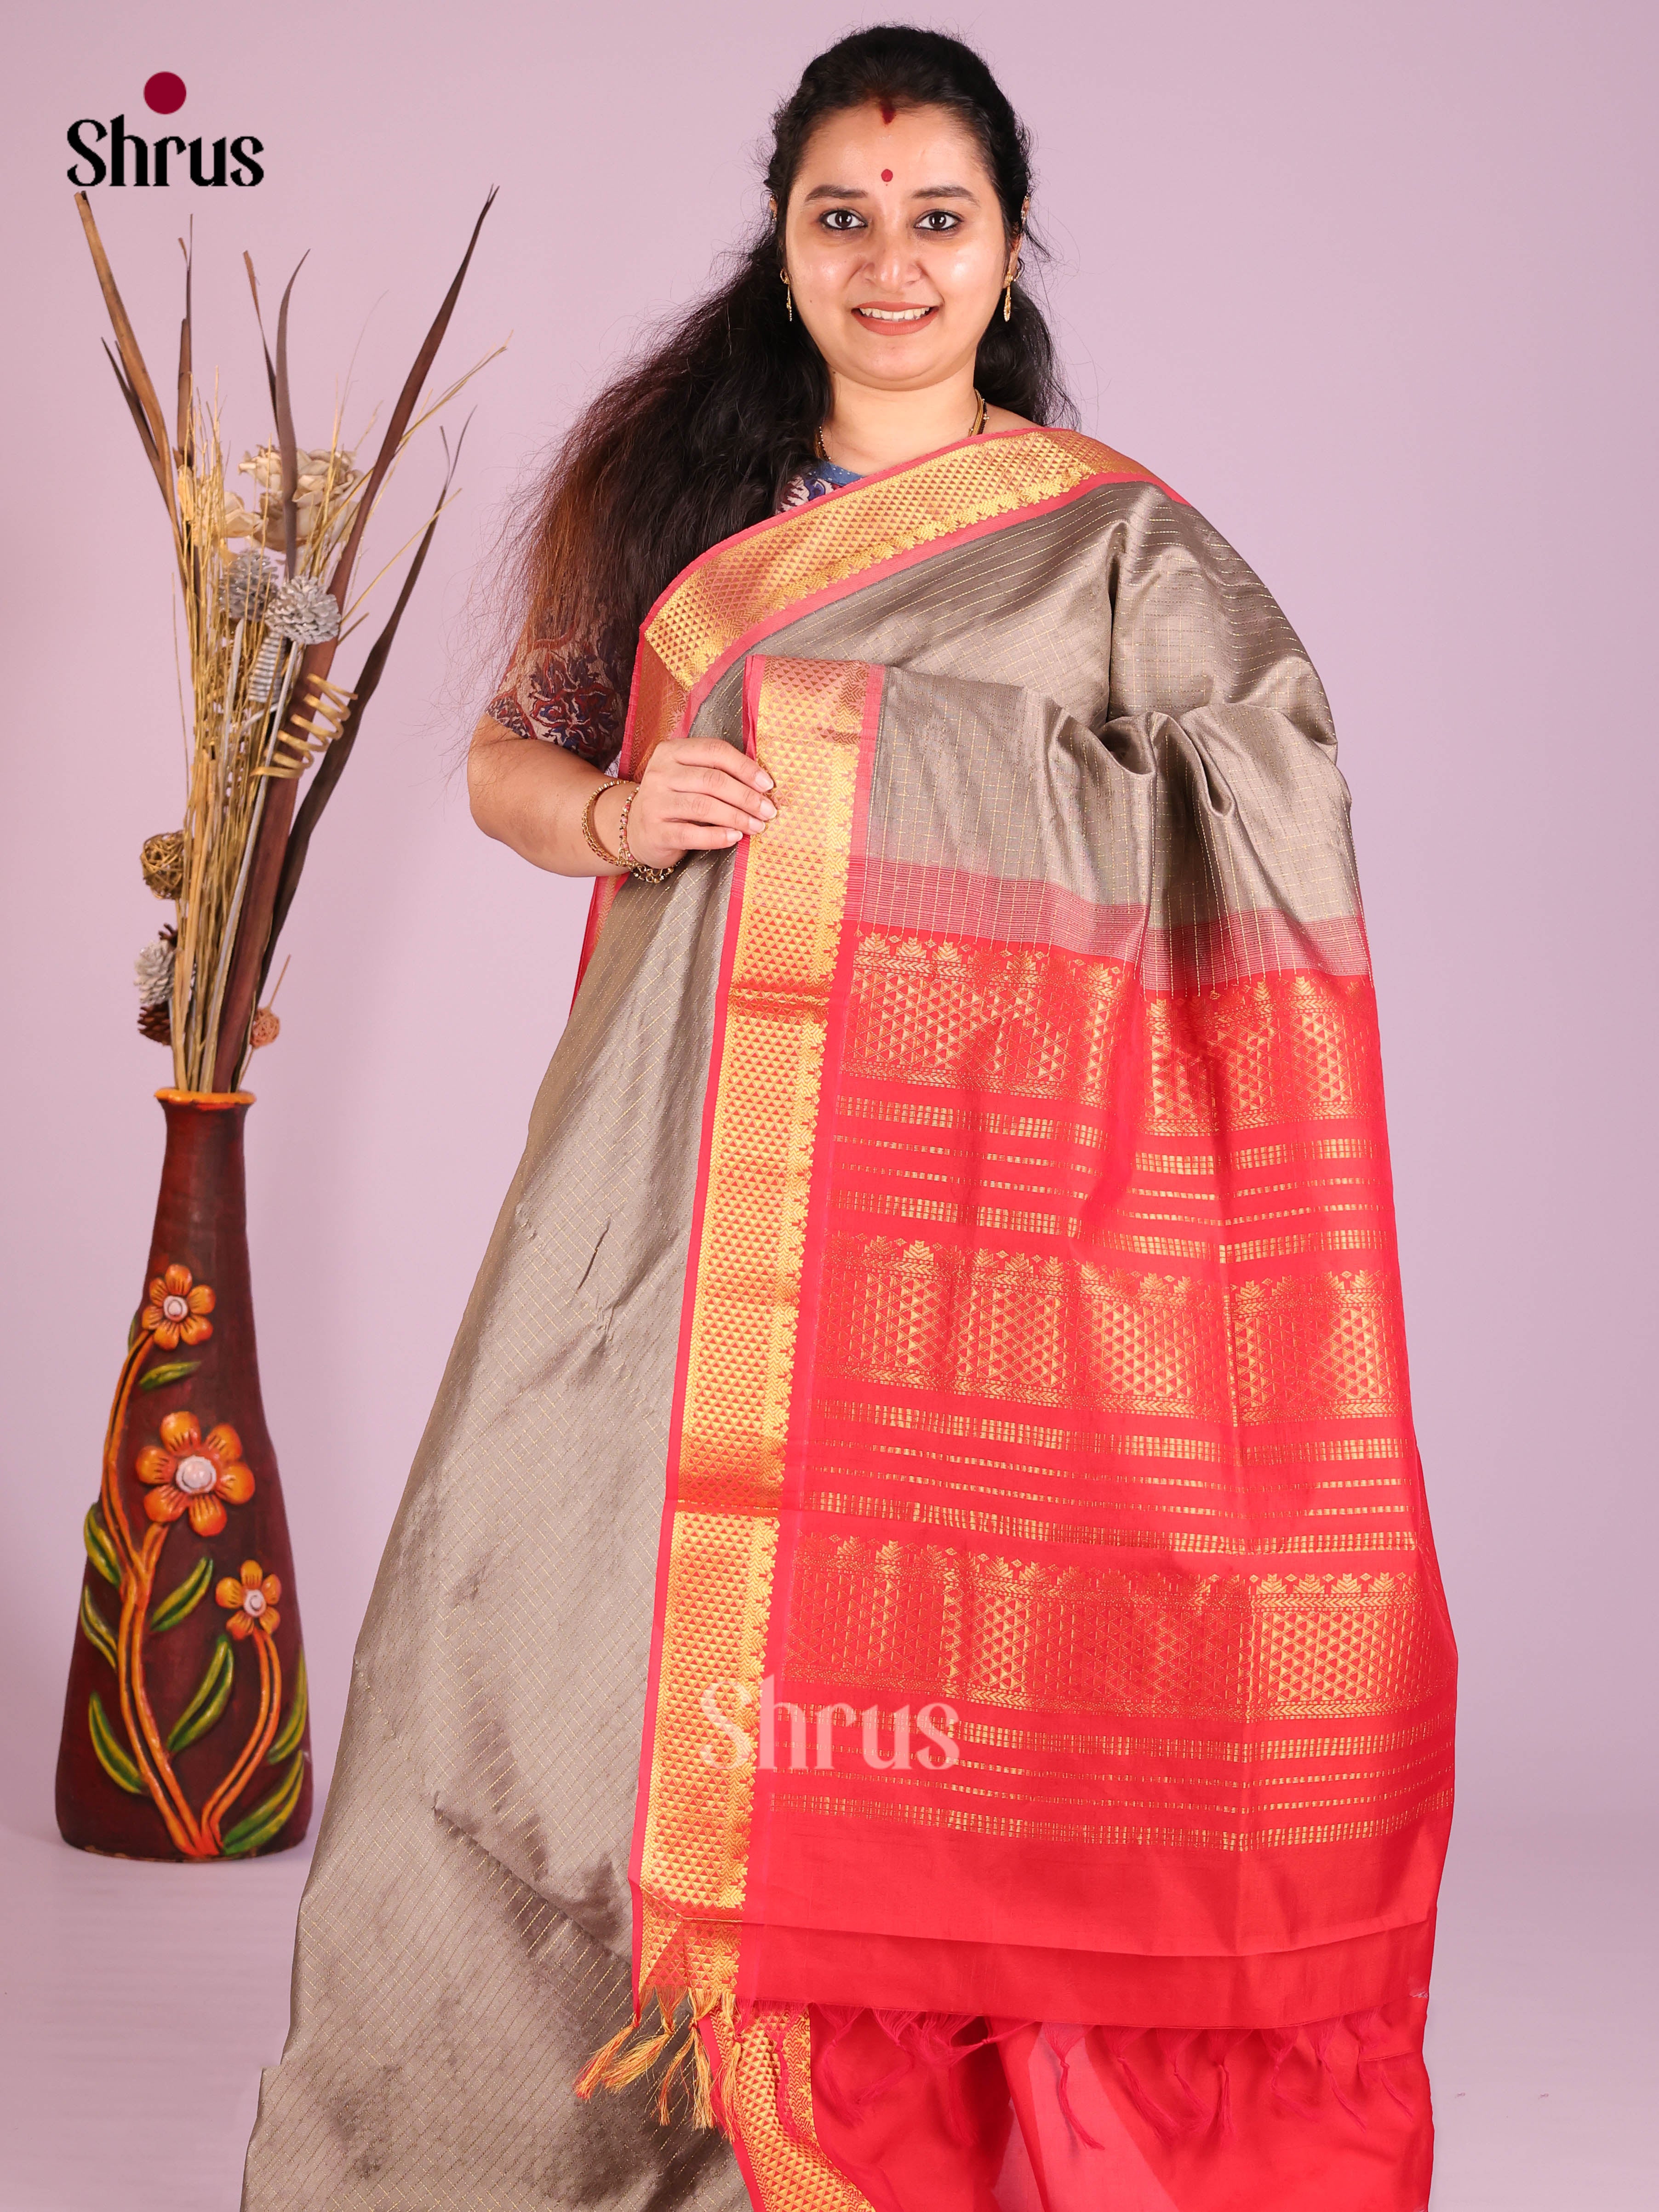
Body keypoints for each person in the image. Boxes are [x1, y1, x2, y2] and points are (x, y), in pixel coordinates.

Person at [241, 27, 1455, 2212]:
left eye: (935, 219)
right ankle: (582, 2141)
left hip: (994, 1218)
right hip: (674, 1186)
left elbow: (1266, 809)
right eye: (843, 218)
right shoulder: (690, 515)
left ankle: (911, 2131)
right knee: (552, 1627)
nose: (890, 261)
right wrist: (616, 810)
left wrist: (865, 756)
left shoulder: (1117, 550)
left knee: (970, 1690)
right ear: (783, 247)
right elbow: (513, 757)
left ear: (1005, 253)